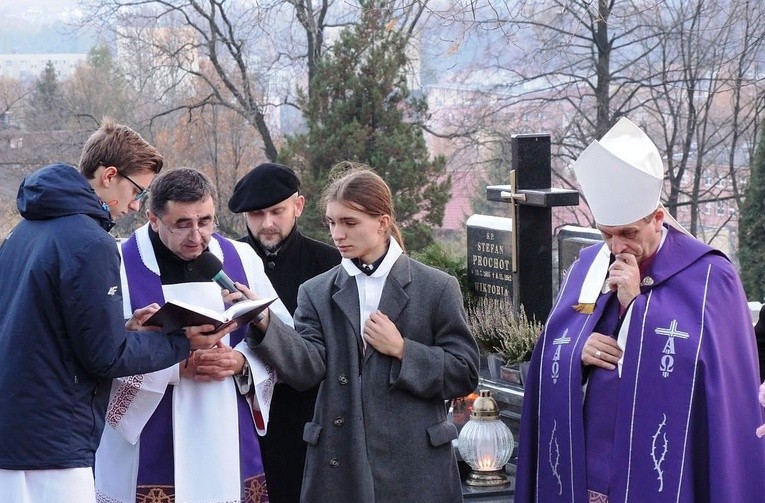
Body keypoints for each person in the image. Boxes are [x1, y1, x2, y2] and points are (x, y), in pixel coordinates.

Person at [515, 117, 765, 502]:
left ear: (658, 219)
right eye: (606, 233)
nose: (616, 247)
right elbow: (553, 346)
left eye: (628, 233)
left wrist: (637, 307)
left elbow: (717, 381)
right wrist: (576, 354)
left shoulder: (712, 276)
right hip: (589, 468)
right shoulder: (588, 266)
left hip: (672, 468)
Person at [0, 119, 231, 503]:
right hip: (53, 438)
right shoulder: (91, 242)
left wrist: (127, 329)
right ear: (110, 175)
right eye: (138, 190)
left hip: (16, 426)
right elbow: (105, 356)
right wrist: (181, 341)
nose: (136, 204)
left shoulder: (23, 233)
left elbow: (47, 329)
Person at [232, 166, 479, 502]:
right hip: (338, 464)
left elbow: (464, 373)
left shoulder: (436, 287)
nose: (337, 234)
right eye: (332, 223)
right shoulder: (316, 291)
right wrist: (263, 320)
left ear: (382, 222)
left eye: (349, 223)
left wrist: (403, 349)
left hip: (416, 467)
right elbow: (308, 370)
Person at [94, 167, 292, 503]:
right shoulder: (118, 262)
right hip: (147, 431)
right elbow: (97, 351)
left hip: (225, 426)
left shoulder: (241, 258)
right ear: (153, 218)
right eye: (183, 224)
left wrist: (241, 362)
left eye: (206, 221)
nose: (198, 236)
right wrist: (173, 364)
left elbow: (285, 338)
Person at [228, 162, 341, 503]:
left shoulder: (330, 264)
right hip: (237, 422)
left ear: (299, 206)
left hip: (304, 423)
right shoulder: (225, 261)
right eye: (256, 214)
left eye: (277, 211)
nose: (267, 224)